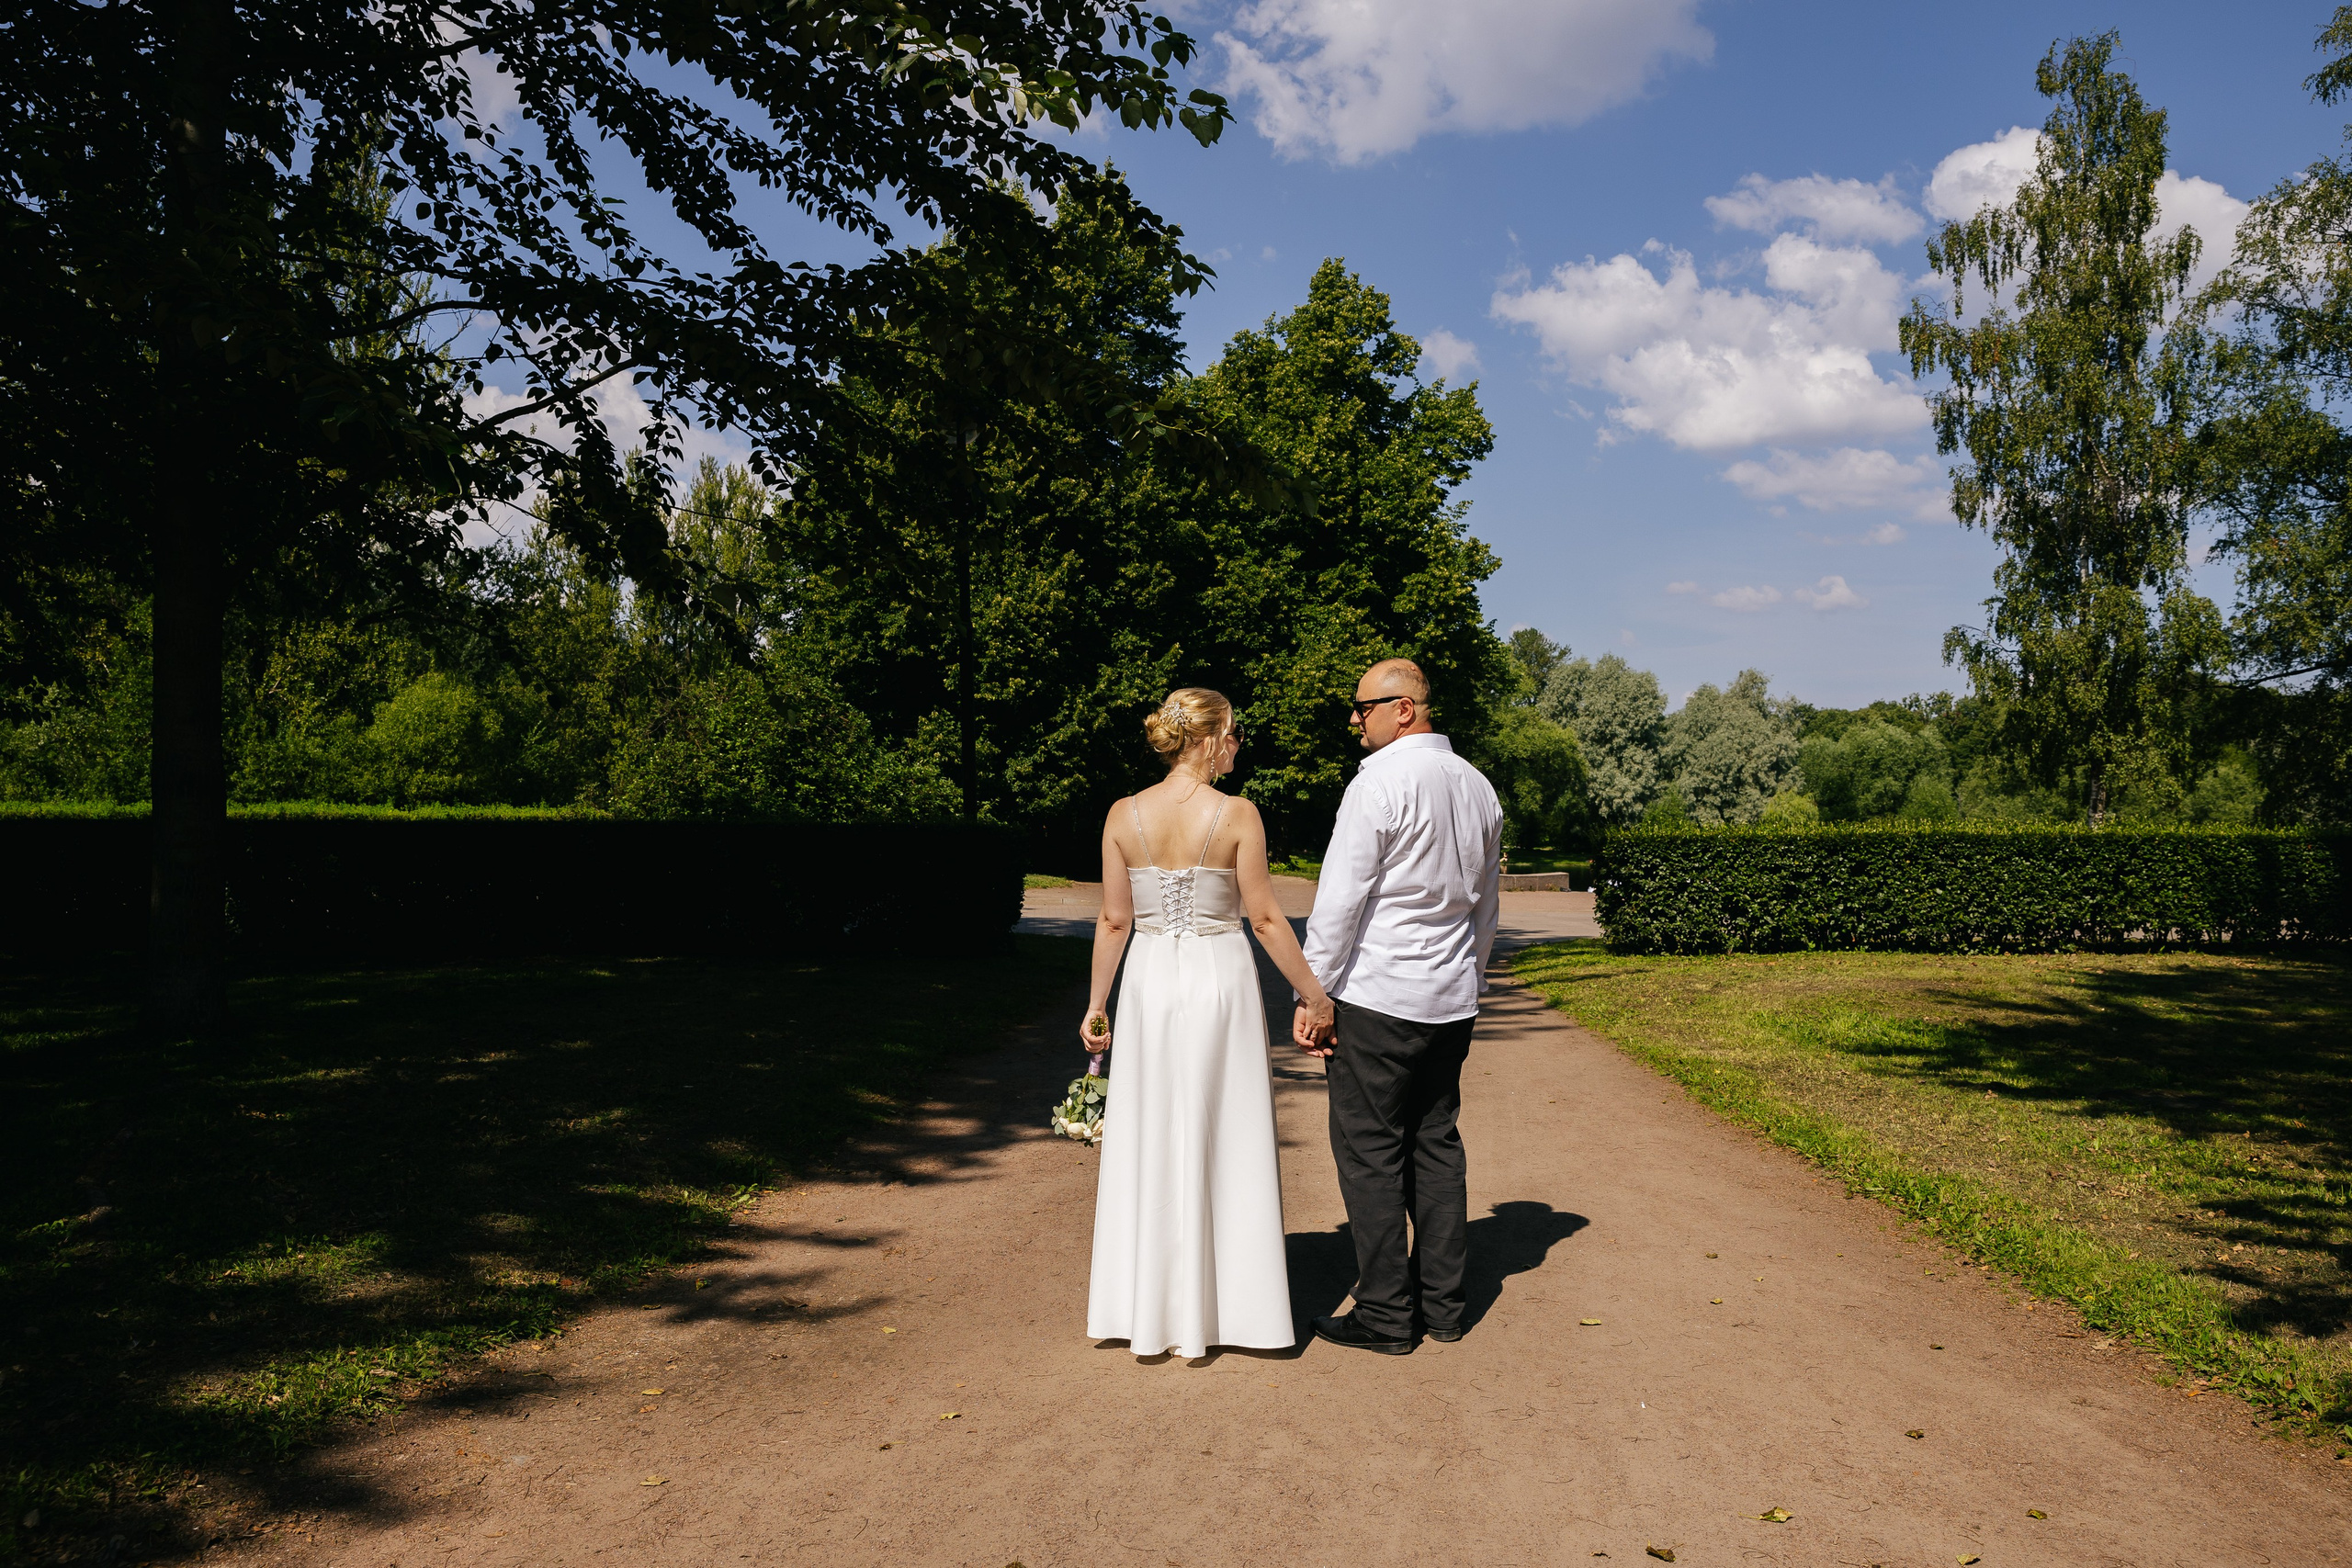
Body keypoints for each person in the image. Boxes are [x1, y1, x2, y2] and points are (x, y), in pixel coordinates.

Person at [1082, 687, 1335, 1359]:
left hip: (1149, 982)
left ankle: (1147, 1305)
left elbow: (1114, 920)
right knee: (1225, 1127)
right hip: (1219, 978)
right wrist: (1314, 993)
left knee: (1152, 1127)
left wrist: (1097, 1003)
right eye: (1235, 733)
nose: (1238, 746)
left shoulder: (1122, 813)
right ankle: (1228, 1308)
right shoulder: (1237, 813)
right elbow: (1265, 919)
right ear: (1212, 736)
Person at [1292, 658, 1502, 1355]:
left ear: (1405, 708)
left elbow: (1340, 901)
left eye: (1364, 707)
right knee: (1436, 1145)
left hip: (1380, 997)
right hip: (1449, 999)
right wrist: (1469, 978)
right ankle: (1444, 1306)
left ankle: (1386, 1312)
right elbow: (1484, 907)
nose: (1355, 719)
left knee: (1371, 1151)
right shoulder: (1478, 787)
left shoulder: (1377, 784)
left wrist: (1313, 993)